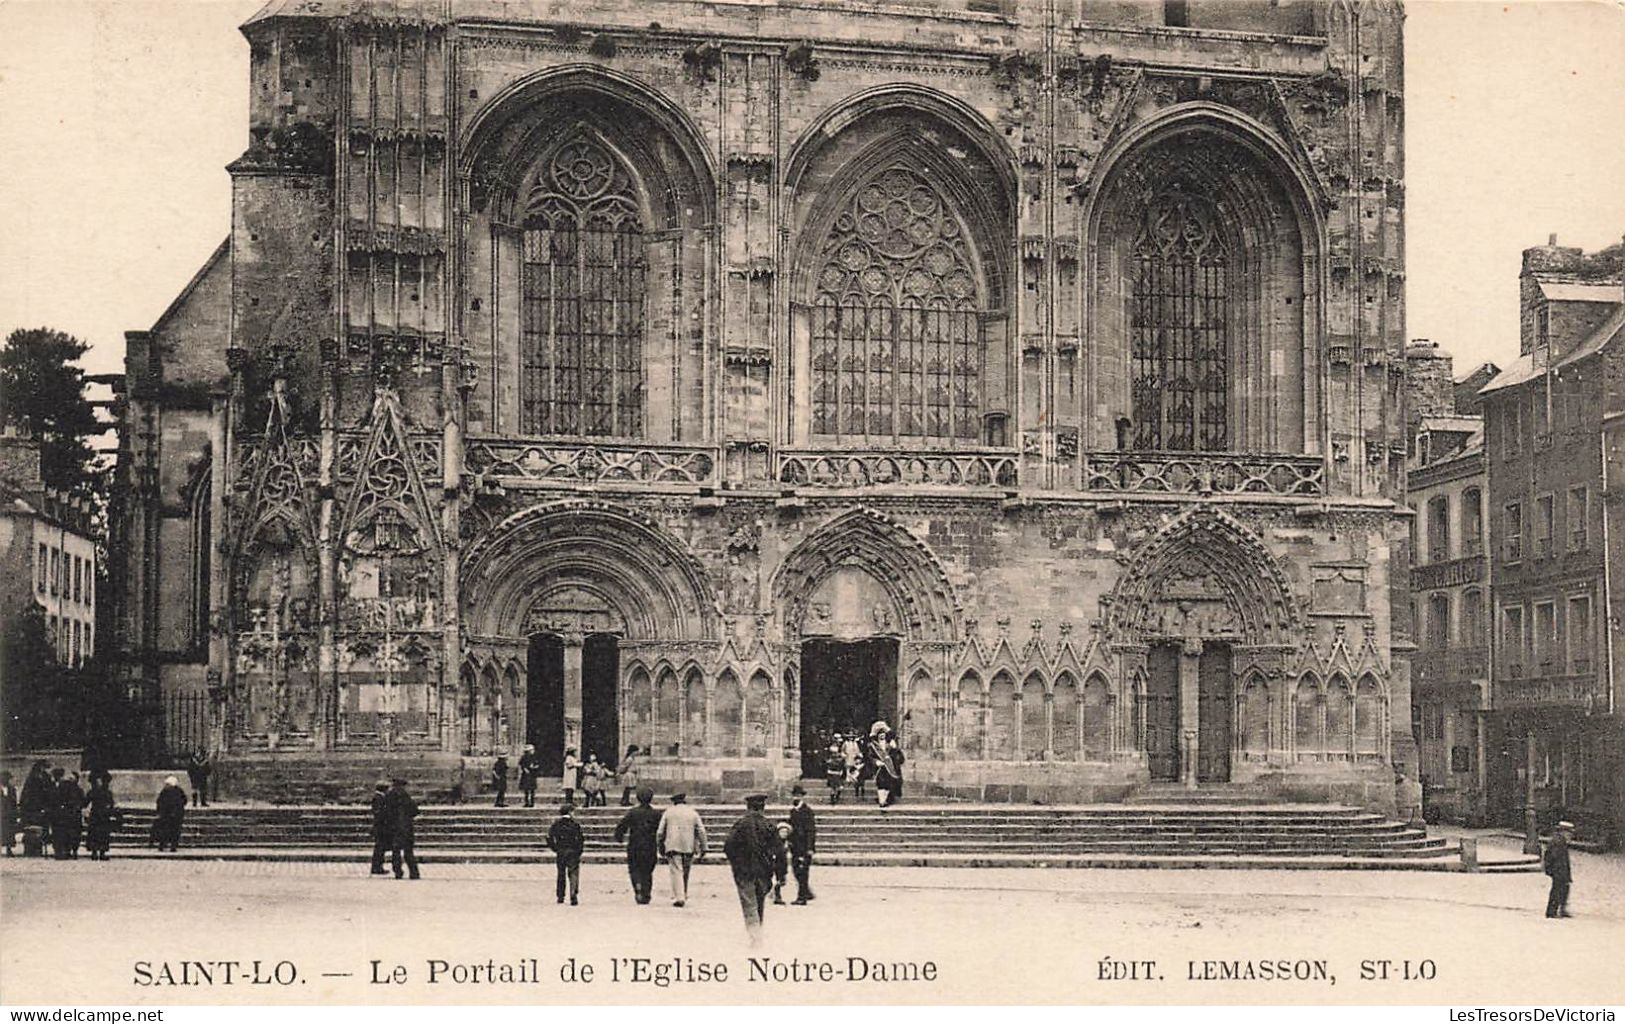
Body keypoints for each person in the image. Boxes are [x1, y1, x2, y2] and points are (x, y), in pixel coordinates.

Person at [723, 794, 782, 947]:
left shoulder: (740, 825)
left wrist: (737, 864)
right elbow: (780, 852)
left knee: (749, 904)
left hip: (745, 872)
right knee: (759, 902)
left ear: (748, 807)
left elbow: (728, 846)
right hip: (764, 871)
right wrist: (780, 875)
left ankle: (755, 935)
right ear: (763, 807)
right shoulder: (769, 825)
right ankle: (757, 931)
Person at [655, 792, 708, 907]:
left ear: (674, 802)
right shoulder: (692, 812)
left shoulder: (668, 812)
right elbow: (701, 830)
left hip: (673, 846)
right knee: (686, 871)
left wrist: (660, 845)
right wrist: (704, 847)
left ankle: (679, 897)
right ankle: (683, 893)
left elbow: (660, 832)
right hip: (688, 846)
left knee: (676, 871)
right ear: (685, 801)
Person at [613, 786, 663, 904]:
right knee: (647, 871)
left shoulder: (633, 812)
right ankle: (646, 893)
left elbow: (622, 826)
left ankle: (638, 888)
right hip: (650, 847)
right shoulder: (656, 814)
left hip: (634, 846)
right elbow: (661, 830)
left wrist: (619, 837)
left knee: (634, 869)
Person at [546, 802, 585, 905]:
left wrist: (555, 848)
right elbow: (581, 839)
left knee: (561, 874)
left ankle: (560, 896)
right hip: (573, 851)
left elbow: (549, 837)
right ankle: (573, 894)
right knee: (573, 873)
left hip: (561, 851)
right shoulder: (575, 824)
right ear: (570, 812)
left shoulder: (556, 824)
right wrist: (579, 850)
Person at [382, 778, 420, 879]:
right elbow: (415, 811)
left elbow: (384, 812)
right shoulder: (406, 796)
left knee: (396, 851)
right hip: (406, 827)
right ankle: (414, 872)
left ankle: (398, 871)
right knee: (408, 851)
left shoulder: (388, 796)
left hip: (394, 827)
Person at [788, 784, 817, 904]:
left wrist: (810, 847)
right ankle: (806, 892)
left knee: (803, 871)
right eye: (794, 795)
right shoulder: (793, 811)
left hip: (804, 846)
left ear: (802, 797)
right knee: (796, 870)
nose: (796, 798)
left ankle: (802, 897)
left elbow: (811, 830)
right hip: (795, 846)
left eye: (798, 795)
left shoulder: (807, 811)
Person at [83, 774, 118, 861]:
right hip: (103, 815)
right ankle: (100, 852)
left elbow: (85, 803)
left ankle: (95, 852)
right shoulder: (107, 792)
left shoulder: (92, 792)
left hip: (96, 815)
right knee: (102, 834)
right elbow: (112, 804)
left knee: (96, 834)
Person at [1544, 820, 1574, 919]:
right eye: (1569, 833)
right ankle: (1552, 912)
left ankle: (1561, 909)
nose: (1570, 835)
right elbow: (1554, 858)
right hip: (1559, 871)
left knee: (1563, 889)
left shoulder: (1560, 840)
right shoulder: (1558, 842)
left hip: (1561, 870)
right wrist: (1553, 870)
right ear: (1563, 832)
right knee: (1557, 891)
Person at [52, 769, 84, 859]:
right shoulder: (63, 789)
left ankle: (73, 850)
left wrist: (78, 807)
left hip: (74, 815)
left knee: (74, 834)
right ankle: (66, 850)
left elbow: (82, 801)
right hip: (66, 815)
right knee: (67, 833)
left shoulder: (78, 790)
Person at [154, 776, 187, 852]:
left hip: (166, 814)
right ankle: (173, 846)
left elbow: (159, 802)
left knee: (164, 830)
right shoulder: (179, 791)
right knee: (175, 831)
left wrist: (159, 811)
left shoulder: (165, 791)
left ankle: (162, 845)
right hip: (176, 815)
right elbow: (184, 801)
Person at [875, 733, 905, 807]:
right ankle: (882, 801)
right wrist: (876, 762)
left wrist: (895, 749)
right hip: (879, 768)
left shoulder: (891, 747)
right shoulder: (873, 747)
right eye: (880, 736)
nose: (882, 737)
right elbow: (869, 757)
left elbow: (901, 759)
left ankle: (885, 801)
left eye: (884, 736)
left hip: (890, 769)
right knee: (881, 784)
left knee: (889, 784)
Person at [368, 780, 392, 875]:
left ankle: (378, 866)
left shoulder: (380, 797)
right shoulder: (378, 798)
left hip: (381, 827)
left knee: (380, 848)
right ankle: (376, 867)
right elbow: (379, 813)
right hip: (381, 827)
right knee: (379, 848)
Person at [771, 821, 793, 905]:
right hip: (776, 863)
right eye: (782, 832)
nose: (784, 834)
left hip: (783, 864)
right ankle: (777, 896)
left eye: (785, 832)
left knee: (782, 880)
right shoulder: (776, 842)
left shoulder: (787, 843)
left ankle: (775, 894)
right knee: (778, 880)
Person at [517, 744, 542, 808]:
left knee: (532, 789)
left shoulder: (534, 757)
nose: (532, 751)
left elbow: (538, 764)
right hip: (527, 775)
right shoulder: (524, 757)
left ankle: (532, 802)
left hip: (532, 774)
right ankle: (527, 802)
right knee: (526, 789)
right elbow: (522, 765)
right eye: (531, 750)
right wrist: (526, 769)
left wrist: (535, 767)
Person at [824, 737, 846, 804]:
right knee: (833, 788)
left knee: (839, 787)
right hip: (832, 773)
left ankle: (837, 796)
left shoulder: (840, 759)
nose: (834, 754)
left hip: (838, 773)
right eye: (833, 753)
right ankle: (833, 799)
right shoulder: (830, 760)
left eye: (835, 753)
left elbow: (842, 765)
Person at [1, 771, 17, 856]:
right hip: (2, 814)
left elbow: (13, 802)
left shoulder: (12, 789)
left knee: (9, 832)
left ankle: (9, 848)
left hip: (9, 814)